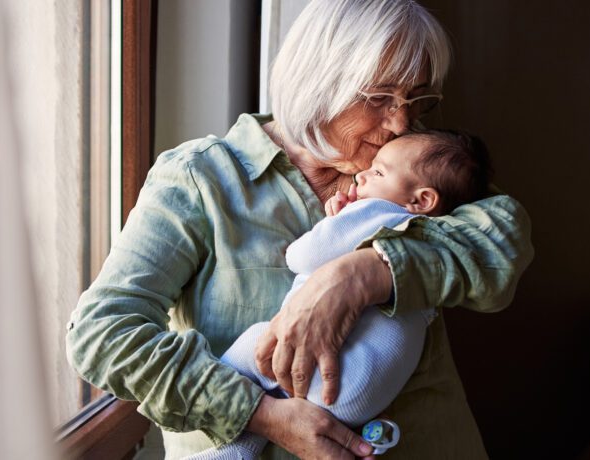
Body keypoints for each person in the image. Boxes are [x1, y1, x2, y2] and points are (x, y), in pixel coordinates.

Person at [66, 1, 534, 458]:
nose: (401, 121)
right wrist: (259, 413)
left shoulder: (409, 165)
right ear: (319, 80)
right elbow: (102, 334)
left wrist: (365, 273)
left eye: (415, 97)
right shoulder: (201, 180)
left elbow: (503, 239)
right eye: (379, 97)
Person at [193, 130, 492, 459]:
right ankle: (235, 453)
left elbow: (302, 256)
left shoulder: (380, 213)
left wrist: (335, 221)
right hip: (365, 396)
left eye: (378, 172)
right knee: (278, 400)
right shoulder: (431, 233)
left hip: (335, 375)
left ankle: (227, 439)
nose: (362, 175)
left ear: (421, 201)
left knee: (258, 345)